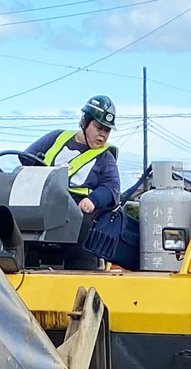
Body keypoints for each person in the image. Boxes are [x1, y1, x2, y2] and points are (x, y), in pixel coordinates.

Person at [24, 95, 131, 267]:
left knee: (83, 235)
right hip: (43, 203)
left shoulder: (105, 157)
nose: (103, 135)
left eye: (107, 130)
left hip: (79, 212)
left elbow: (112, 188)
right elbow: (26, 158)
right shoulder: (56, 138)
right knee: (20, 227)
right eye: (99, 128)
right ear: (85, 121)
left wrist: (93, 200)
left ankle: (82, 274)